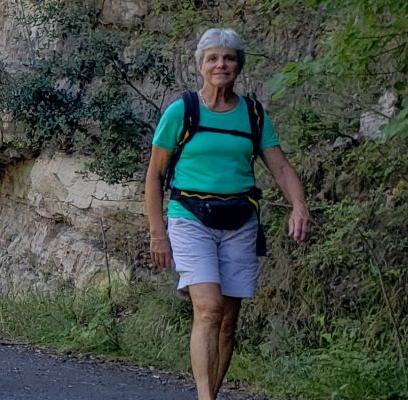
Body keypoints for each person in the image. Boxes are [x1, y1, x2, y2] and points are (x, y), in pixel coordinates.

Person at [143, 28, 311, 400]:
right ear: (201, 66)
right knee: (209, 307)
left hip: (240, 221)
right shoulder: (182, 111)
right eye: (213, 58)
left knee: (228, 323)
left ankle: (211, 395)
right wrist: (158, 232)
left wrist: (299, 205)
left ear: (239, 65)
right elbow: (154, 176)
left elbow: (280, 167)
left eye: (229, 58)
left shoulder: (252, 114)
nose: (221, 65)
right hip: (189, 217)